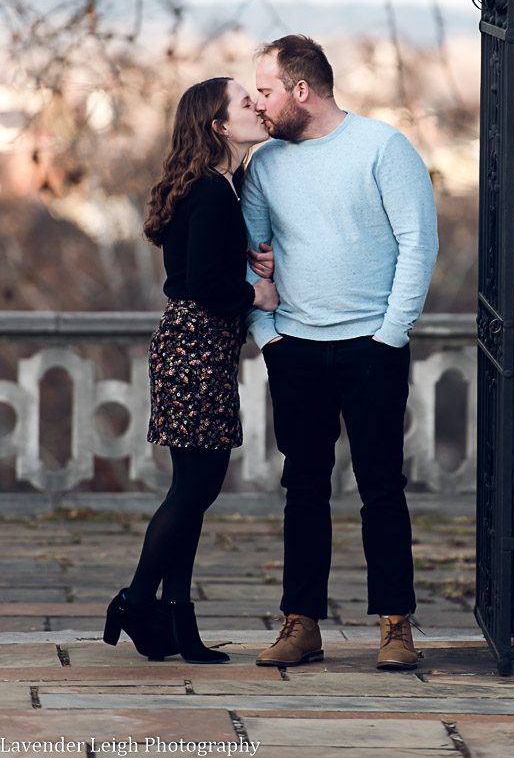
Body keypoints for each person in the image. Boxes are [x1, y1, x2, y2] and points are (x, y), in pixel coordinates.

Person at [242, 35, 438, 671]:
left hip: (371, 347)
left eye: (266, 91)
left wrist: (391, 333)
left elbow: (418, 242)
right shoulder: (265, 166)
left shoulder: (382, 148)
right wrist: (269, 337)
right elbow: (250, 257)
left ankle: (395, 626)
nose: (258, 104)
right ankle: (301, 625)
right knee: (303, 487)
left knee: (381, 487)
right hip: (295, 347)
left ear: (302, 90)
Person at [103, 77, 279, 664]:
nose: (257, 105)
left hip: (198, 349)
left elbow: (206, 264)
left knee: (194, 489)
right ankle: (133, 601)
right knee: (194, 488)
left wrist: (247, 258)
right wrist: (255, 293)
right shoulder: (208, 191)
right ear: (219, 126)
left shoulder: (223, 186)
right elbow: (201, 283)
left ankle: (176, 622)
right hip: (194, 348)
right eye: (245, 101)